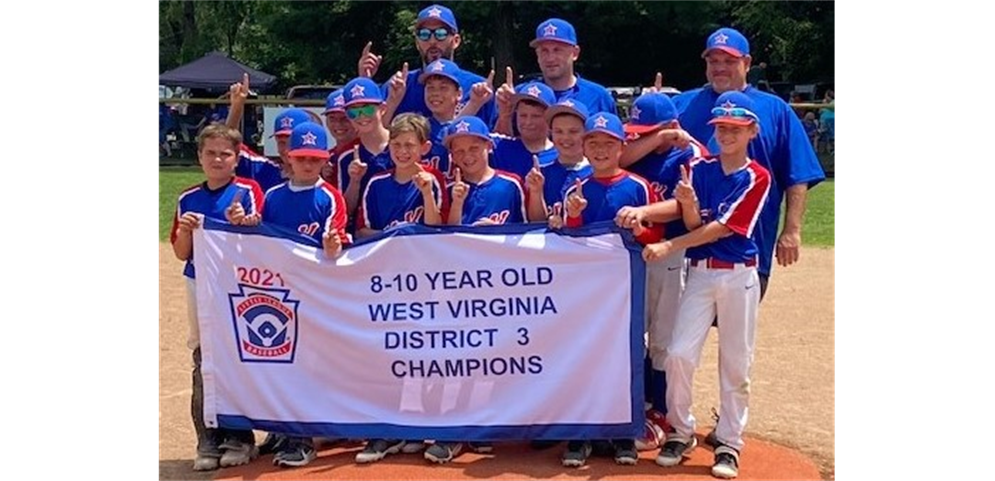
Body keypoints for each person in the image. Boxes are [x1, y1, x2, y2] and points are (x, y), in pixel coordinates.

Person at [621, 91, 771, 480]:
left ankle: (729, 442)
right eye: (721, 127)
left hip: (737, 274)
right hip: (702, 273)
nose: (725, 134)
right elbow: (686, 214)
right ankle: (681, 429)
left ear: (751, 131)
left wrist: (670, 243)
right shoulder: (702, 167)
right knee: (679, 354)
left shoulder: (757, 176)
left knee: (736, 363)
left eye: (734, 128)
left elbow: (721, 227)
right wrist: (666, 206)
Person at [671, 27, 825, 300]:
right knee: (678, 334)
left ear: (747, 63)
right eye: (713, 61)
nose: (720, 68)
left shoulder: (774, 109)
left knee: (735, 335)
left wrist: (792, 230)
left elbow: (797, 175)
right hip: (684, 241)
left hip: (749, 244)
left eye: (729, 61)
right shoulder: (682, 105)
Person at [557, 113, 661, 468]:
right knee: (583, 355)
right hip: (585, 291)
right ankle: (580, 434)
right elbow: (566, 241)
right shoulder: (576, 187)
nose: (601, 150)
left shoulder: (637, 186)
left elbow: (655, 237)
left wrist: (638, 226)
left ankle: (623, 431)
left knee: (627, 356)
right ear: (585, 147)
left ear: (622, 147)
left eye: (608, 144)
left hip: (624, 289)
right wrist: (572, 217)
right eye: (594, 143)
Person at [170, 124, 265, 472]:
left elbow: (258, 235)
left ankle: (239, 436)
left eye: (225, 153)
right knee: (203, 357)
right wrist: (186, 231)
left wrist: (244, 222)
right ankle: (207, 437)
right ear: (199, 157)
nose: (217, 159)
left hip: (237, 286)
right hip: (200, 282)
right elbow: (182, 253)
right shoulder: (188, 198)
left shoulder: (248, 190)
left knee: (237, 356)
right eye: (210, 153)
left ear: (237, 158)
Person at [620, 92, 709, 449]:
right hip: (633, 253)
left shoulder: (689, 155)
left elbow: (685, 206)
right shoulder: (642, 149)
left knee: (664, 338)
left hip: (671, 254)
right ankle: (640, 404)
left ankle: (663, 411)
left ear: (674, 126)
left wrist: (644, 212)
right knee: (632, 333)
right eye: (638, 131)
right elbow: (619, 157)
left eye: (648, 131)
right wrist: (655, 137)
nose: (639, 137)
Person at [358, 4, 495, 125]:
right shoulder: (399, 85)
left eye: (440, 33)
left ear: (456, 40)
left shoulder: (478, 88)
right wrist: (365, 81)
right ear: (417, 42)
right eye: (424, 34)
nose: (432, 41)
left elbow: (499, 138)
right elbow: (372, 134)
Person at [444, 116, 527, 227]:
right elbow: (443, 239)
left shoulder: (511, 184)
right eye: (459, 151)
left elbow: (528, 231)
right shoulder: (449, 190)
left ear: (489, 146)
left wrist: (496, 232)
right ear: (452, 156)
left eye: (474, 148)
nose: (467, 156)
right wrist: (457, 204)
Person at [526, 18, 616, 114]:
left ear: (575, 53)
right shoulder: (525, 94)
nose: (550, 58)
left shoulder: (598, 96)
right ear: (537, 54)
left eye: (557, 50)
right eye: (544, 51)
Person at [525, 99, 592, 222]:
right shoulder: (542, 173)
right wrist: (536, 192)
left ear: (586, 133)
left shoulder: (596, 172)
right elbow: (535, 224)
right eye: (558, 131)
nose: (565, 138)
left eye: (573, 131)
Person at [492, 81, 560, 179]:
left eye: (536, 116)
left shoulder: (559, 155)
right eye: (523, 115)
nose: (528, 122)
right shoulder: (500, 146)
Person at [320, 88, 360, 184]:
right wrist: (323, 177)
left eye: (344, 118)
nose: (338, 124)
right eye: (332, 118)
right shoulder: (328, 156)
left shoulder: (364, 150)